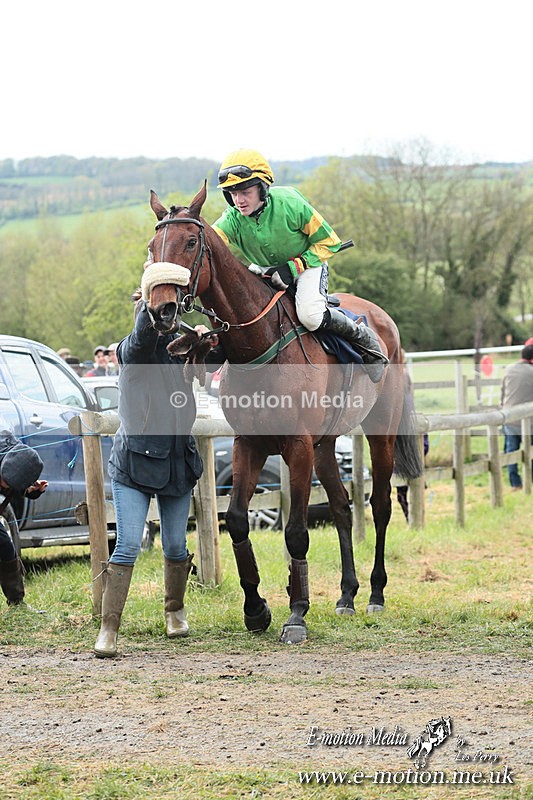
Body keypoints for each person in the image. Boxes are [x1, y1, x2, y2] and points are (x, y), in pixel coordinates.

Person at [94, 268, 206, 658]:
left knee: (176, 545)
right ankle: (109, 629)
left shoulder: (181, 347)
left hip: (176, 460)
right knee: (126, 545)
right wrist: (149, 307)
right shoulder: (132, 349)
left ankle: (174, 610)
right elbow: (143, 336)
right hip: (134, 465)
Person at [213, 149, 388, 382]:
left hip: (308, 264)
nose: (239, 201)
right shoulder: (232, 218)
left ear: (262, 188)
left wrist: (293, 267)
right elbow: (209, 245)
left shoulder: (291, 204)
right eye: (233, 194)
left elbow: (329, 242)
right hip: (265, 268)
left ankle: (362, 337)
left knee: (310, 316)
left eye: (245, 192)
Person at [0, 429, 48, 606]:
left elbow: (16, 483)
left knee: (6, 546)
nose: (3, 485)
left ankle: (16, 601)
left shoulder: (19, 460)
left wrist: (32, 491)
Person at [500, 343, 533, 490]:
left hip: (509, 417)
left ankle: (515, 483)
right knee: (530, 450)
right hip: (529, 419)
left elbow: (502, 392)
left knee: (511, 451)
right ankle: (530, 480)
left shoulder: (508, 369)